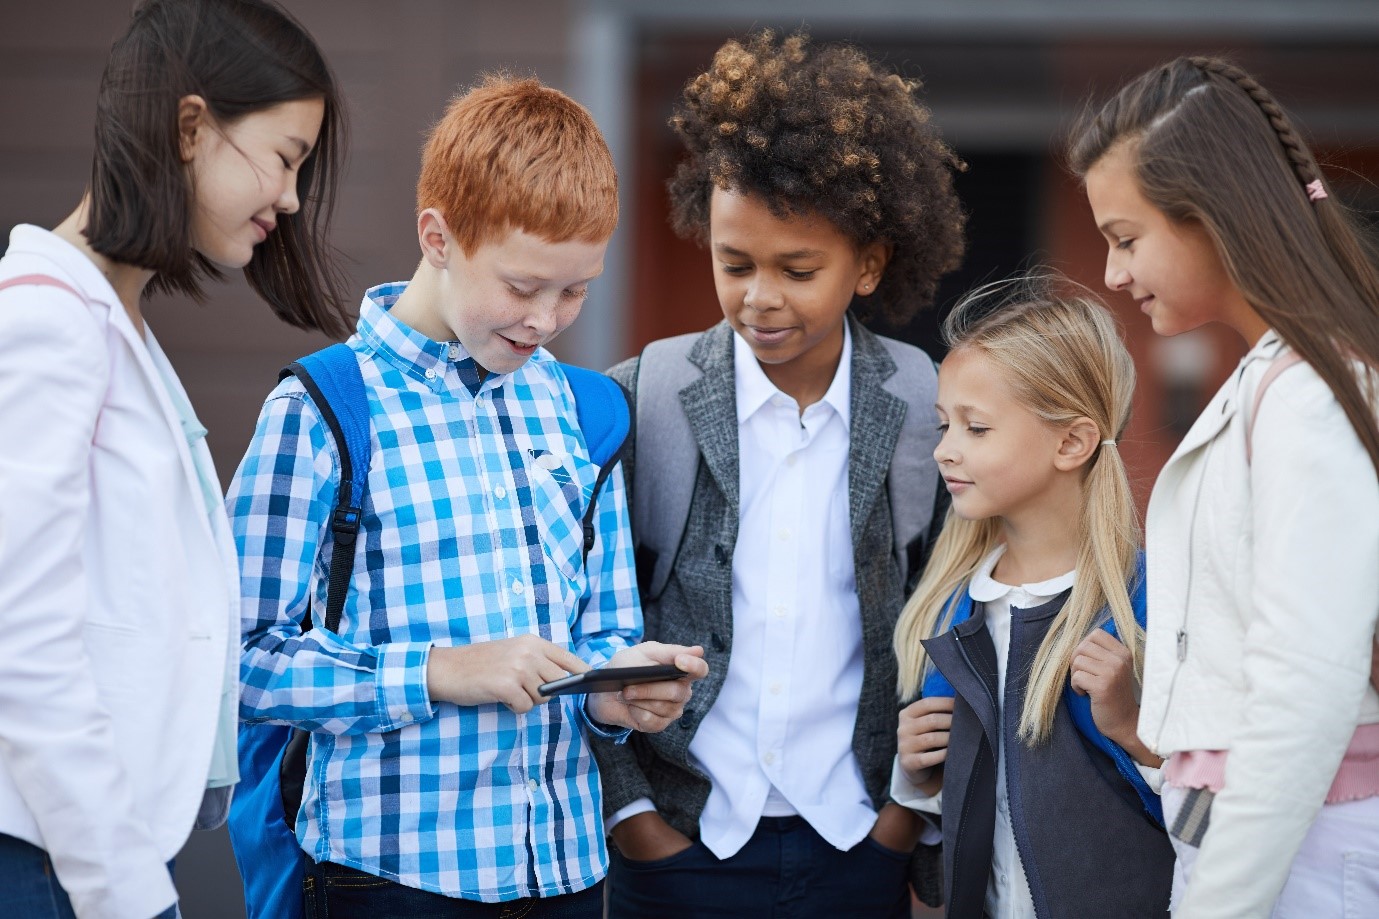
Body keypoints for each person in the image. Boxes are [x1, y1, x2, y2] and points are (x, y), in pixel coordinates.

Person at [228, 74, 708, 919]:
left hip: (564, 873)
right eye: (522, 286)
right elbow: (238, 658)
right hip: (386, 880)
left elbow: (601, 633)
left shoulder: (583, 408)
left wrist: (614, 691)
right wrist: (440, 673)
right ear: (437, 236)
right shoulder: (324, 411)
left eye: (577, 288)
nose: (548, 318)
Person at [590, 30, 966, 918]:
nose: (760, 296)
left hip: (855, 841)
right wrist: (632, 815)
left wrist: (904, 823)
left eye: (797, 270)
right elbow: (584, 614)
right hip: (678, 843)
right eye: (735, 264)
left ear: (868, 263)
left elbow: (947, 608)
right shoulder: (641, 398)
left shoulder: (921, 402)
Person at [0, 1, 349, 917]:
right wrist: (123, 889)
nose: (289, 198)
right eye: (284, 157)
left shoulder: (115, 324)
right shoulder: (47, 318)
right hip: (55, 861)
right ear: (191, 126)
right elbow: (20, 645)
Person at [1070, 56, 1379, 917]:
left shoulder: (1309, 395)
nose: (1111, 273)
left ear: (1213, 218)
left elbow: (1303, 684)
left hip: (1301, 855)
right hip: (1270, 842)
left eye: (1127, 238)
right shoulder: (1276, 379)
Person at [890, 278, 1175, 917]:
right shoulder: (949, 609)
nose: (944, 449)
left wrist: (1133, 730)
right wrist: (915, 778)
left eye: (977, 428)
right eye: (944, 424)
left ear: (1070, 442)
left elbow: (1217, 816)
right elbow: (961, 837)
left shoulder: (1150, 606)